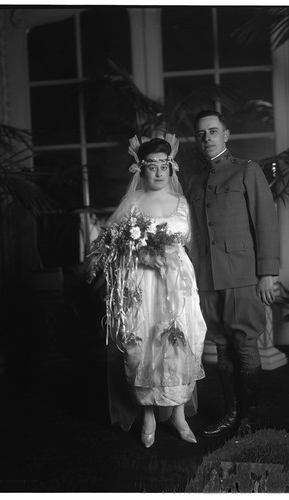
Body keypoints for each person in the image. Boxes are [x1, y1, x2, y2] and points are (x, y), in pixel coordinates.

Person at [88, 134, 206, 448]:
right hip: (140, 282)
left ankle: (179, 414)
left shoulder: (183, 204)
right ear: (142, 169)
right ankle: (149, 415)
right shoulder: (133, 203)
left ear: (172, 168)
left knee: (178, 345)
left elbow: (193, 244)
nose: (157, 172)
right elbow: (111, 245)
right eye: (151, 165)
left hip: (177, 285)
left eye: (163, 165)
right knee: (140, 347)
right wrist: (139, 254)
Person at [188, 110, 279, 439]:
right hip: (208, 278)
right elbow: (195, 234)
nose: (207, 138)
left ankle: (249, 420)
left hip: (242, 275)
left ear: (226, 134)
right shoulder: (196, 182)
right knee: (222, 348)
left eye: (213, 131)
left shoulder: (246, 171)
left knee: (244, 345)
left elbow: (265, 222)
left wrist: (267, 272)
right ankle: (231, 414)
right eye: (201, 134)